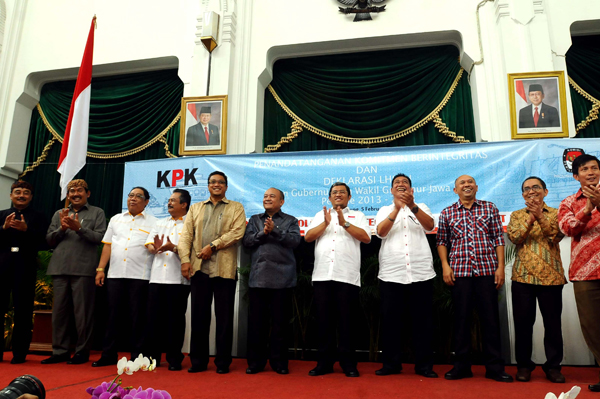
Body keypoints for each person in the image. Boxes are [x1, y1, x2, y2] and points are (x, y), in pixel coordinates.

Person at [437, 175, 513, 382]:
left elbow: (498, 237)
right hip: (459, 273)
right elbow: (442, 240)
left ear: (477, 187)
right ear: (455, 190)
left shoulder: (490, 208)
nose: (466, 185)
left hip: (487, 271)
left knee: (490, 320)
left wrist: (500, 268)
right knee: (461, 320)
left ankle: (495, 368)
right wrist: (445, 266)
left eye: (470, 182)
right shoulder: (447, 212)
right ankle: (461, 366)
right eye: (462, 183)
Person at [179, 171, 246, 374]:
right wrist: (184, 260)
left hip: (224, 270)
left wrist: (213, 246)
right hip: (199, 270)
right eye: (213, 182)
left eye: (220, 182)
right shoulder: (196, 208)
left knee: (224, 318)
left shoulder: (236, 207)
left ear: (226, 186)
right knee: (199, 317)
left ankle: (223, 363)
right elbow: (185, 236)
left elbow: (237, 232)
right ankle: (198, 362)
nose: (216, 185)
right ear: (208, 186)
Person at [374, 174, 437, 378]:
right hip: (392, 274)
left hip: (421, 273)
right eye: (396, 184)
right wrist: (396, 209)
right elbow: (381, 233)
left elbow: (430, 226)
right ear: (391, 191)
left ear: (411, 190)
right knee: (391, 322)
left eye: (405, 184)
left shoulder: (422, 206)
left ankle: (424, 366)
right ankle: (391, 364)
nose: (401, 185)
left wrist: (412, 207)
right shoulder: (384, 210)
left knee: (423, 323)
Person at [304, 182, 371, 378]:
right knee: (324, 321)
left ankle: (348, 363)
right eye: (334, 192)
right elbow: (308, 237)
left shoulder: (358, 216)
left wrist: (345, 223)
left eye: (342, 192)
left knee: (347, 322)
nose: (338, 195)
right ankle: (324, 363)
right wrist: (325, 223)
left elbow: (366, 238)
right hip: (323, 274)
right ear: (329, 198)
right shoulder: (320, 215)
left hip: (347, 275)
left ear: (349, 197)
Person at [507, 176, 566, 383]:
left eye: (536, 187)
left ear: (545, 192)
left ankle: (553, 367)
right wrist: (531, 218)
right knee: (523, 325)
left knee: (552, 325)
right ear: (523, 194)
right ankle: (524, 366)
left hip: (551, 277)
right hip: (523, 277)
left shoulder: (558, 214)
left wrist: (540, 215)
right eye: (526, 189)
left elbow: (555, 236)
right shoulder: (516, 215)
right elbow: (515, 238)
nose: (531, 191)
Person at [42, 179, 107, 365]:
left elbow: (100, 238)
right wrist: (62, 229)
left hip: (84, 269)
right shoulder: (59, 213)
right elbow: (49, 240)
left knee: (83, 314)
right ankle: (60, 351)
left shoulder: (97, 212)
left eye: (79, 190)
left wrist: (79, 229)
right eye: (71, 191)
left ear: (88, 193)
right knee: (59, 313)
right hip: (59, 268)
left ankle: (82, 352)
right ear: (68, 195)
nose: (75, 194)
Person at [92, 187, 157, 367]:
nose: (133, 199)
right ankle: (108, 355)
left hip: (141, 276)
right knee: (112, 316)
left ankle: (137, 357)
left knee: (137, 318)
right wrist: (100, 269)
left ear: (146, 202)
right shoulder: (116, 219)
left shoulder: (154, 222)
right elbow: (107, 246)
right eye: (131, 196)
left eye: (138, 196)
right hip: (115, 275)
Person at [242, 188, 301, 375]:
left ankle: (280, 363)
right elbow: (247, 241)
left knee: (280, 325)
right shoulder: (254, 220)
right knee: (257, 324)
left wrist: (274, 231)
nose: (267, 199)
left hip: (283, 279)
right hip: (258, 278)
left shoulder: (290, 220)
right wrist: (263, 233)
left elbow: (294, 241)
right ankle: (255, 363)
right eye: (265, 196)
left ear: (281, 202)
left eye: (272, 196)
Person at [558, 154, 600, 393]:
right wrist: (587, 209)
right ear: (576, 176)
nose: (591, 172)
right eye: (585, 169)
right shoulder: (568, 201)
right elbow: (567, 228)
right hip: (585, 273)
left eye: (594, 168)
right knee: (593, 328)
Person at [143, 189, 192, 371]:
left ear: (184, 204)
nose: (169, 203)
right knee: (153, 320)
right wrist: (152, 247)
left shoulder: (191, 223)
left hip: (178, 279)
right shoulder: (159, 222)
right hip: (156, 278)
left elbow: (192, 250)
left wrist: (175, 248)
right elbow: (148, 242)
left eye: (173, 200)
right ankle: (152, 358)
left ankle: (174, 359)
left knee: (175, 321)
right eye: (169, 200)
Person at [0, 181, 47, 364]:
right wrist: (3, 228)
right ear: (11, 195)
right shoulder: (2, 215)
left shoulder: (39, 217)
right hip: (2, 268)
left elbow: (45, 242)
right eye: (17, 192)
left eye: (26, 192)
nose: (21, 195)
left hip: (25, 268)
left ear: (31, 197)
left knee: (23, 312)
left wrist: (27, 230)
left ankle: (20, 354)